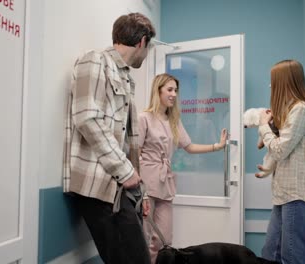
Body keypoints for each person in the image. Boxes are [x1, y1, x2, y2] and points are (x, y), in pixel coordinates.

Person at [62, 13, 156, 264]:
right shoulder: (94, 61)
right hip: (98, 185)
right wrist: (125, 172)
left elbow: (128, 142)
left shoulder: (125, 77)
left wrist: (141, 192)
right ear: (142, 42)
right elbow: (86, 118)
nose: (146, 55)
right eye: (149, 48)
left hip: (118, 185)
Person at [138, 73, 228, 263]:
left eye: (176, 90)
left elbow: (189, 146)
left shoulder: (173, 121)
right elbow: (134, 154)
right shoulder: (144, 118)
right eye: (170, 90)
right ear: (158, 90)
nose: (174, 94)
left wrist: (216, 146)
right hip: (146, 184)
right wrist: (141, 191)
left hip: (166, 184)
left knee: (164, 239)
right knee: (143, 238)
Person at [258, 59, 305, 264]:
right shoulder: (290, 112)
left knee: (293, 258)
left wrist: (263, 127)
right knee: (270, 254)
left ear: (285, 82)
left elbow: (279, 150)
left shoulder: (301, 110)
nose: (271, 86)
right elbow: (279, 148)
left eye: (273, 81)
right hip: (284, 194)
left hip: (297, 195)